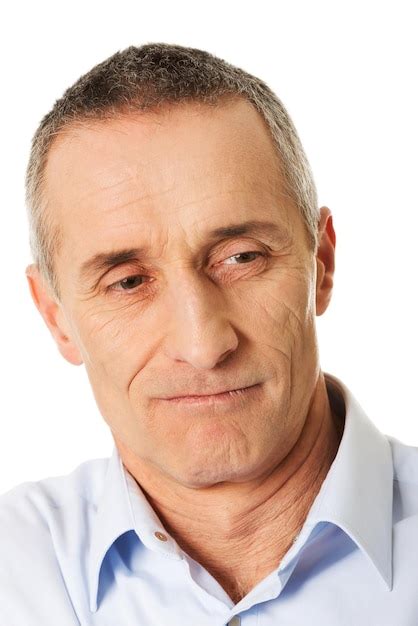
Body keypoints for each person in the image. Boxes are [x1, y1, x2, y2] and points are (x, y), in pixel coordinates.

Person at [1, 42, 417, 626]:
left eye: (242, 257)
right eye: (127, 283)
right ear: (55, 316)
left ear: (321, 263)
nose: (203, 344)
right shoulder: (13, 570)